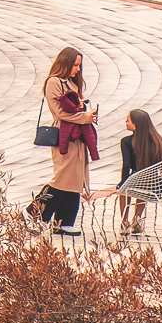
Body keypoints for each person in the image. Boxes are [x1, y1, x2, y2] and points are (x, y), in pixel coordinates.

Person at [38, 46, 97, 235]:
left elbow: (76, 109)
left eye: (79, 66)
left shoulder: (72, 83)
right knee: (63, 179)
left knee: (74, 180)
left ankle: (64, 222)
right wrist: (84, 117)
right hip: (64, 137)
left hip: (77, 136)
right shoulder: (53, 82)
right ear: (65, 63)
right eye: (76, 65)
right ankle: (34, 212)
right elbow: (61, 112)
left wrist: (85, 110)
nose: (78, 69)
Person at [117, 109, 162, 234]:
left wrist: (121, 185)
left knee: (125, 189)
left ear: (136, 125)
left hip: (138, 182)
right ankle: (137, 219)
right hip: (155, 186)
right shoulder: (158, 141)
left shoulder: (126, 142)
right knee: (143, 184)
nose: (125, 122)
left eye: (128, 120)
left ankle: (125, 222)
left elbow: (126, 166)